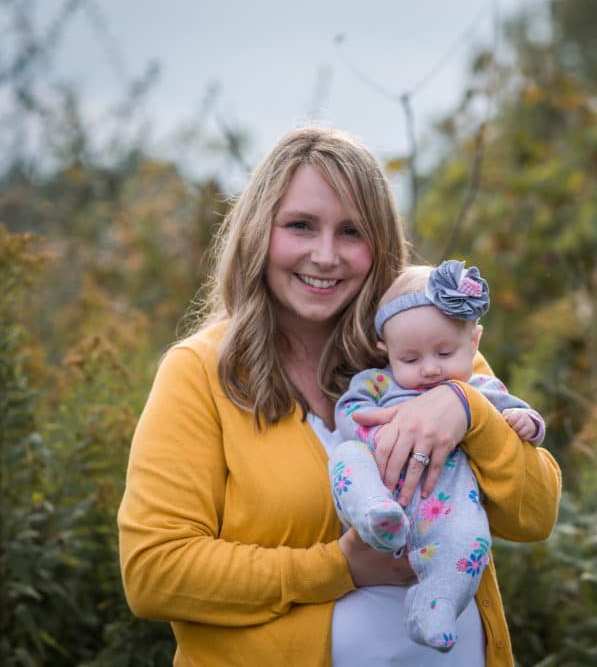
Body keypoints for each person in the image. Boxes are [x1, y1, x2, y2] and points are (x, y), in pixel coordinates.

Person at [116, 125, 562, 666]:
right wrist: (341, 567)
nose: (325, 256)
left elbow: (534, 517)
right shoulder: (199, 375)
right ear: (260, 231)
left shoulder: (423, 348)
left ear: (380, 244)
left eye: (351, 231)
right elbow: (155, 573)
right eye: (301, 226)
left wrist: (469, 411)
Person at [331, 260, 545, 653]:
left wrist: (524, 422)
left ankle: (435, 604)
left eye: (444, 352)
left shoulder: (478, 387)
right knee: (348, 457)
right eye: (410, 360)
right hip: (383, 480)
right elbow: (348, 412)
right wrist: (381, 432)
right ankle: (375, 514)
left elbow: (519, 413)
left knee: (471, 541)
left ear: (473, 342)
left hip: (448, 503)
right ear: (386, 351)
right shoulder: (379, 382)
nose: (430, 369)